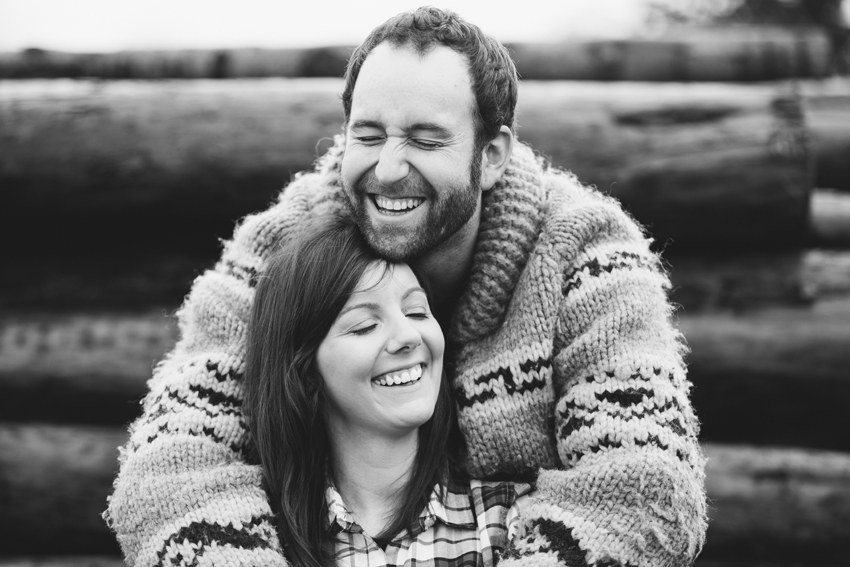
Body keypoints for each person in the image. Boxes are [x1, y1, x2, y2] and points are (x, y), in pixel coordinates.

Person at [105, 7, 707, 567]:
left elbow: (647, 489)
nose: (389, 169)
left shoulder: (587, 256)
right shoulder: (280, 254)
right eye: (367, 136)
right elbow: (169, 468)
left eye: (425, 140)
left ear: (491, 155)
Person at [244, 212, 530, 567]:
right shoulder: (254, 533)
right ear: (305, 370)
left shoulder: (510, 523)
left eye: (416, 311)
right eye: (365, 326)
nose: (409, 336)